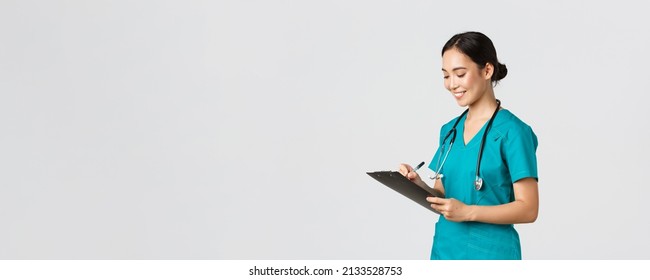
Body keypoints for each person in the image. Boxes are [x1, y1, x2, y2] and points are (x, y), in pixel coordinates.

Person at [398, 31, 539, 260]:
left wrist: (468, 212)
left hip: (491, 254)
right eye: (446, 76)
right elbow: (443, 196)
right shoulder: (449, 130)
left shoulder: (513, 132)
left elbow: (529, 208)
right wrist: (417, 184)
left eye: (460, 74)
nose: (452, 84)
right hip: (445, 249)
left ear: (487, 70)